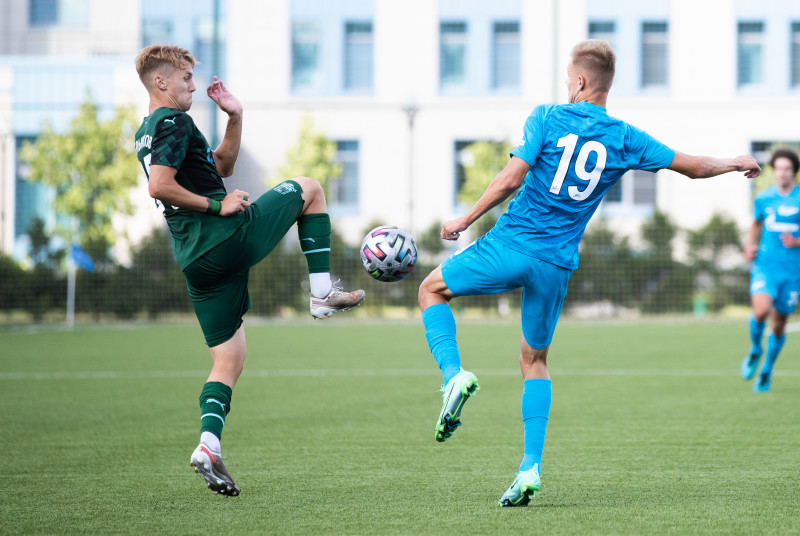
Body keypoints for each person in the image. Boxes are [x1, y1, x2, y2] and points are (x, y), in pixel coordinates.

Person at [417, 39, 761, 507]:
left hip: (512, 244)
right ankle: (529, 467)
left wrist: (464, 218)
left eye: (568, 78)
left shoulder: (547, 115)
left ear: (579, 81)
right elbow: (694, 167)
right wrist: (733, 162)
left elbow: (513, 177)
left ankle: (453, 375)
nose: (566, 84)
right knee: (534, 361)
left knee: (431, 289)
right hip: (556, 265)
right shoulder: (624, 137)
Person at [133, 44, 365, 497]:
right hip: (222, 240)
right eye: (185, 79)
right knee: (311, 188)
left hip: (196, 262)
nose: (193, 86)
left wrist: (235, 117)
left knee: (228, 360)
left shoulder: (149, 130)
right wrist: (218, 206)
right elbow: (160, 186)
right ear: (160, 83)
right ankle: (321, 292)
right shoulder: (173, 122)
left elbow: (220, 166)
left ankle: (209, 446)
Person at [740, 148, 800, 393]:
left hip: (792, 272)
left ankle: (767, 370)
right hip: (765, 267)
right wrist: (749, 245)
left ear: (794, 172)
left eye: (787, 169)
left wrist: (797, 241)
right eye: (779, 169)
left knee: (778, 325)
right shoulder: (764, 198)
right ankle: (755, 349)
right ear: (774, 171)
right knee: (761, 311)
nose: (783, 173)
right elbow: (755, 223)